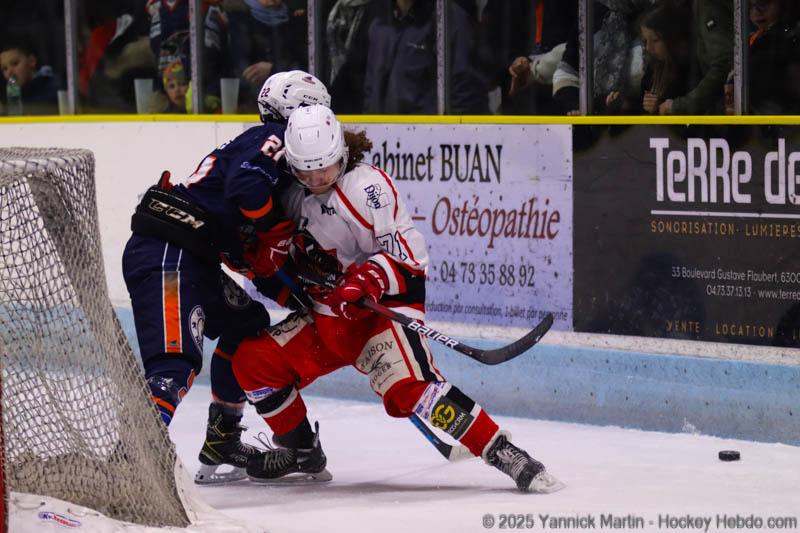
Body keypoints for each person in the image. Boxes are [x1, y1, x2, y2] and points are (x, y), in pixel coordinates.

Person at [230, 105, 563, 493]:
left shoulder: (366, 188)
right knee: (254, 362)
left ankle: (503, 451)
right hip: (325, 320)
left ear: (341, 153)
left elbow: (410, 257)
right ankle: (302, 451)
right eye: (306, 171)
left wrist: (366, 279)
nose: (317, 178)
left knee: (412, 391)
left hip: (377, 316)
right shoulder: (290, 194)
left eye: (325, 168)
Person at [122, 70, 331, 484]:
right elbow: (246, 187)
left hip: (190, 257)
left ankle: (223, 440)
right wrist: (273, 227)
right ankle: (128, 466)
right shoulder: (274, 138)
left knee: (247, 324)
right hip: (167, 254)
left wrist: (298, 297)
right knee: (173, 364)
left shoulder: (269, 157)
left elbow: (248, 257)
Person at [363, 0, 488, 114]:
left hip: (427, 130)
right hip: (378, 129)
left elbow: (466, 93)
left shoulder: (447, 20)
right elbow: (370, 88)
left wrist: (447, 130)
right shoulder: (379, 22)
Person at [606, 3, 694, 114]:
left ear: (671, 38)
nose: (648, 47)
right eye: (645, 40)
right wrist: (625, 104)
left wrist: (659, 108)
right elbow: (643, 105)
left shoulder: (687, 71)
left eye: (655, 40)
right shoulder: (654, 66)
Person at [0, 38, 60, 115]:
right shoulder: (10, 93)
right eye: (4, 68)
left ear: (32, 61)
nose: (9, 72)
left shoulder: (54, 87)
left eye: (15, 63)